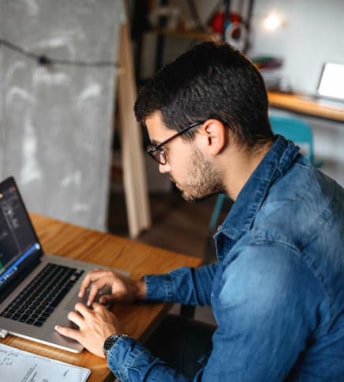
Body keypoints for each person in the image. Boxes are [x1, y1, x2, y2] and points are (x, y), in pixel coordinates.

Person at [55, 41, 344, 381]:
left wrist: (113, 344)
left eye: (161, 150)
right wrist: (141, 288)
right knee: (155, 331)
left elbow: (255, 276)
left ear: (210, 135)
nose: (162, 167)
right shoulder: (305, 184)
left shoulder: (269, 256)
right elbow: (232, 278)